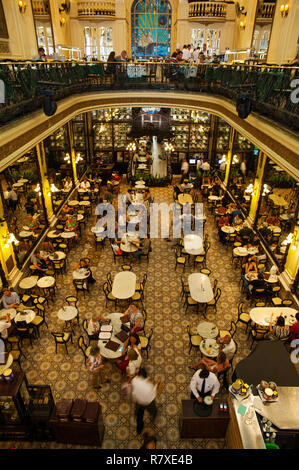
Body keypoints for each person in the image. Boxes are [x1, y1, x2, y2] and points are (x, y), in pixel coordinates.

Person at [131, 368, 159, 434]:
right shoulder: (149, 386)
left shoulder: (134, 380)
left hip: (138, 402)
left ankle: (139, 430)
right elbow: (153, 394)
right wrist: (156, 385)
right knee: (153, 410)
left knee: (139, 416)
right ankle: (153, 417)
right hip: (148, 402)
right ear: (145, 377)